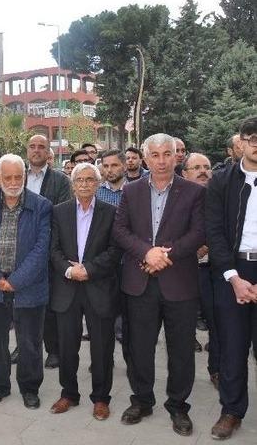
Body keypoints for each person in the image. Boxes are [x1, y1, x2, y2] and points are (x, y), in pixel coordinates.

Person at [113, 133, 205, 437]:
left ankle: (178, 406)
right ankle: (142, 400)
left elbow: (198, 232)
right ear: (145, 157)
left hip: (179, 282)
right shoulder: (131, 190)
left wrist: (167, 255)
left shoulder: (193, 192)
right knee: (139, 347)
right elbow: (120, 230)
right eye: (156, 155)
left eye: (168, 154)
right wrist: (146, 252)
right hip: (140, 282)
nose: (162, 160)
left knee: (181, 349)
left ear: (177, 156)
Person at [0, 154, 52, 409]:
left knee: (29, 342)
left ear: (25, 177)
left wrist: (15, 280)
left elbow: (42, 248)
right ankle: (0, 385)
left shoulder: (41, 205)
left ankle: (29, 388)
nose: (14, 182)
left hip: (28, 286)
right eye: (8, 177)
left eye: (18, 176)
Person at [48, 163, 122, 420]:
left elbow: (115, 251)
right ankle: (68, 393)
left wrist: (88, 269)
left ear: (98, 183)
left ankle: (101, 398)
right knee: (67, 345)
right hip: (67, 287)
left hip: (98, 286)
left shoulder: (111, 212)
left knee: (102, 348)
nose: (84, 184)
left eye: (90, 179)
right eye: (79, 179)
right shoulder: (59, 212)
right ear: (72, 183)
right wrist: (69, 271)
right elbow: (53, 249)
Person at [205, 118, 257, 440]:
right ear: (241, 141)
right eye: (252, 138)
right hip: (232, 271)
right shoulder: (222, 181)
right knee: (233, 348)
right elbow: (215, 232)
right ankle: (232, 410)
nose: (256, 144)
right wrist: (234, 278)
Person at [26, 134, 72, 369]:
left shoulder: (61, 181)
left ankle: (53, 350)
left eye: (41, 147)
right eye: (32, 146)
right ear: (27, 150)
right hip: (21, 252)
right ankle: (23, 348)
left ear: (48, 152)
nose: (36, 150)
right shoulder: (17, 176)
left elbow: (61, 215)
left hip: (49, 251)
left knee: (49, 304)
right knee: (22, 304)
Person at [181, 152, 219, 382]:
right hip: (184, 270)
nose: (203, 170)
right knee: (182, 324)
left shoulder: (219, 196)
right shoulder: (177, 199)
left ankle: (216, 369)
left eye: (206, 166)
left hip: (213, 271)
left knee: (218, 321)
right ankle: (183, 375)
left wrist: (208, 245)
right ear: (185, 174)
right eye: (196, 167)